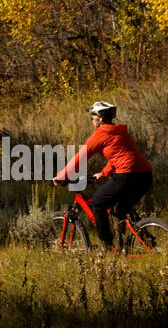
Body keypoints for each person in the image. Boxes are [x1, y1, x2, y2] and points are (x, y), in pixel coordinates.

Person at [52, 100, 152, 251]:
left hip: (127, 176)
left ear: (99, 119)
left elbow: (81, 156)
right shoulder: (120, 131)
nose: (92, 121)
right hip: (145, 176)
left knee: (98, 203)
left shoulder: (101, 134)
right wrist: (104, 173)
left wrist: (62, 176)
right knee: (121, 210)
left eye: (92, 118)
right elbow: (122, 155)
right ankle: (150, 244)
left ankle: (108, 247)